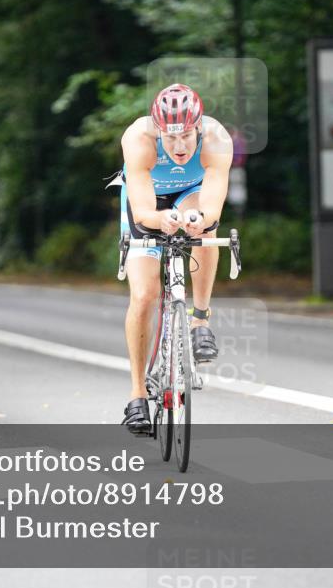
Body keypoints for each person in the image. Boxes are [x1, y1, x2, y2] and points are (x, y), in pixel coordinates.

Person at [116, 83, 233, 434]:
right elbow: (142, 212)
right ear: (157, 131)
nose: (180, 147)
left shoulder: (217, 139)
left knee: (206, 233)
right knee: (144, 295)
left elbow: (212, 208)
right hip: (147, 200)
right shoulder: (139, 138)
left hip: (190, 193)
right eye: (171, 138)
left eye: (186, 137)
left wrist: (199, 220)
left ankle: (199, 319)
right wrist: (159, 221)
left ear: (198, 128)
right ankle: (137, 394)